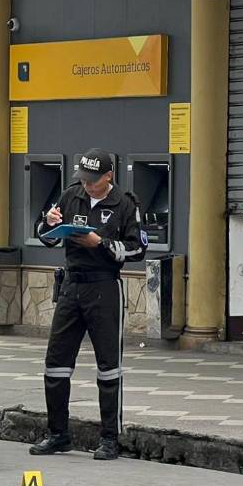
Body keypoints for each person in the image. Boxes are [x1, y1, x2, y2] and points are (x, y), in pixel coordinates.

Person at [29, 148, 146, 461]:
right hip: (71, 285)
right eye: (84, 179)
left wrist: (101, 244)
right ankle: (58, 434)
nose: (88, 185)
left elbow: (137, 249)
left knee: (109, 367)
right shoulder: (71, 195)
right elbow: (48, 238)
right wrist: (48, 222)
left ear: (108, 176)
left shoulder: (125, 204)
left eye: (93, 180)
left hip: (104, 286)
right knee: (55, 363)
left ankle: (109, 439)